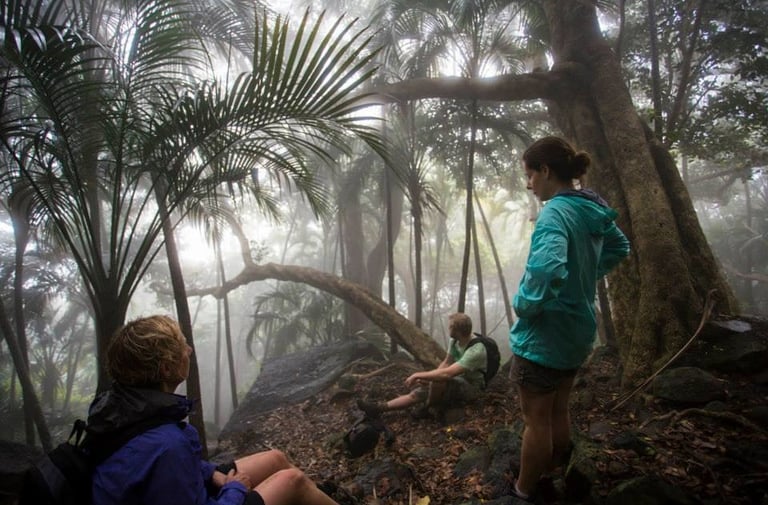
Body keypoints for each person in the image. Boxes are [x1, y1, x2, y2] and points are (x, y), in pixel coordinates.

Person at [88, 314, 339, 505]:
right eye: (183, 346)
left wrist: (210, 474)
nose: (189, 351)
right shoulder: (168, 445)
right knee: (292, 481)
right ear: (166, 368)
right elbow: (164, 463)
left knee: (275, 459)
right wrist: (235, 488)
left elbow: (153, 472)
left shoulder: (122, 410)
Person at [508, 136, 630, 501]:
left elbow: (546, 267)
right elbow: (619, 247)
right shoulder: (591, 208)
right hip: (578, 330)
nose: (529, 184)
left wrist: (525, 305)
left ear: (545, 171)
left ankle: (524, 490)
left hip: (545, 334)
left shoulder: (555, 212)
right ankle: (554, 471)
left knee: (536, 420)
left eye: (529, 175)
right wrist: (584, 276)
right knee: (559, 409)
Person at [356, 312, 486, 419]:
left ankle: (428, 408)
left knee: (436, 382)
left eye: (450, 326)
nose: (448, 328)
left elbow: (448, 373)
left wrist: (419, 375)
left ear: (457, 330)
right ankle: (377, 408)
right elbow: (446, 362)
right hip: (458, 380)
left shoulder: (476, 350)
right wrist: (428, 378)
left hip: (472, 387)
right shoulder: (455, 340)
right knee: (420, 391)